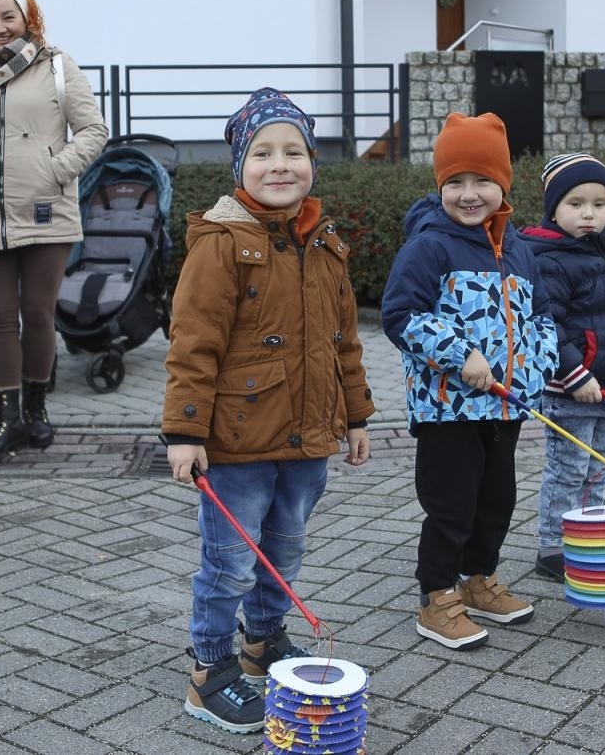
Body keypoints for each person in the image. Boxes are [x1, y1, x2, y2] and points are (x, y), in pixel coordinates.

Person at [162, 88, 373, 734]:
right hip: (237, 441)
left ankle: (263, 641)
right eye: (262, 153)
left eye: (293, 151)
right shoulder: (222, 242)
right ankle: (210, 671)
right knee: (229, 561)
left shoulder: (325, 245)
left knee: (285, 549)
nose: (279, 164)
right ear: (240, 165)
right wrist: (184, 430)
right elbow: (193, 341)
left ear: (312, 162)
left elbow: (343, 340)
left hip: (308, 440)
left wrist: (356, 415)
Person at [381, 112, 557, 651]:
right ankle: (436, 596)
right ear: (440, 186)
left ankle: (479, 579)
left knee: (496, 500)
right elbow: (401, 315)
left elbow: (543, 316)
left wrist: (538, 365)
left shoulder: (520, 250)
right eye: (454, 181)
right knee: (451, 505)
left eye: (482, 180)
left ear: (504, 184)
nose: (469, 193)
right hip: (448, 408)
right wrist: (461, 356)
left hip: (505, 407)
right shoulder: (429, 246)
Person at [0, 0, 107, 463]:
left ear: (27, 15)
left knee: (37, 313)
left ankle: (35, 409)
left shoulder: (56, 66)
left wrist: (55, 170)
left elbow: (93, 130)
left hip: (45, 211)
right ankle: (4, 416)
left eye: (7, 16)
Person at [521, 153, 605, 582]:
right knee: (569, 469)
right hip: (571, 391)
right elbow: (548, 326)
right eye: (576, 203)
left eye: (599, 204)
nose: (589, 214)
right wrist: (574, 375)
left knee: (600, 466)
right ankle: (553, 546)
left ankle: (590, 536)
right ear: (553, 209)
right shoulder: (548, 258)